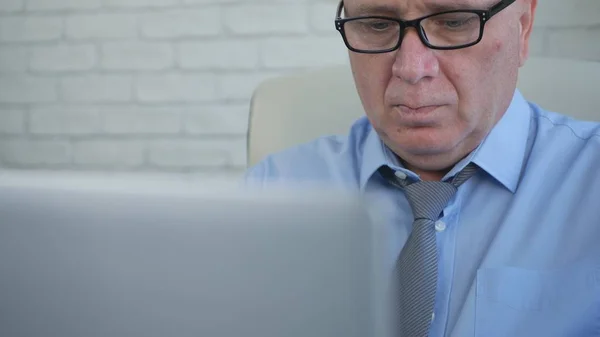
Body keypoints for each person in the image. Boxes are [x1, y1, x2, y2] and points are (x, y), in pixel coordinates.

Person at [245, 0, 600, 336]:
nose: (412, 69)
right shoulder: (273, 192)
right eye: (377, 24)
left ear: (523, 27)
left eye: (454, 22)